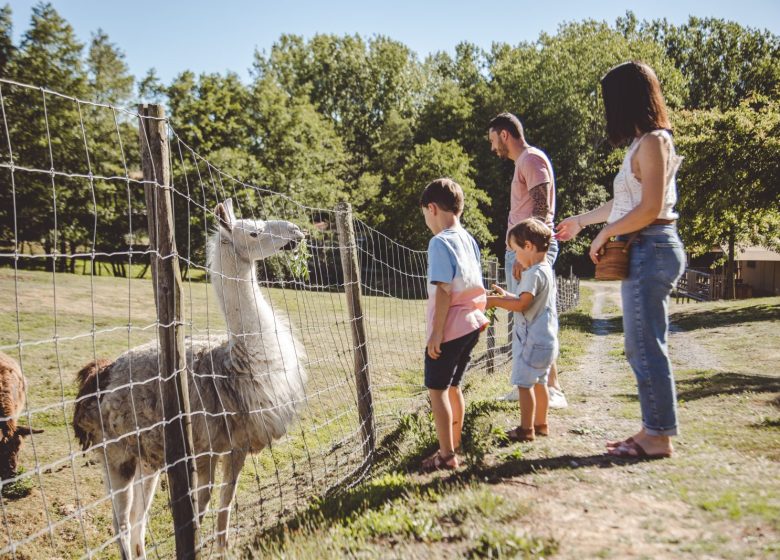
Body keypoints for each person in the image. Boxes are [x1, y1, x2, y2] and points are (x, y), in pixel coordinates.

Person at [556, 61, 685, 458]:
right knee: (639, 344)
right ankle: (652, 430)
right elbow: (624, 201)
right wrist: (582, 221)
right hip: (644, 246)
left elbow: (649, 208)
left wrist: (607, 231)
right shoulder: (641, 142)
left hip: (653, 244)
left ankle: (658, 436)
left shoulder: (654, 141)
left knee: (645, 344)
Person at [488, 113, 567, 409]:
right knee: (528, 319)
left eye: (493, 139)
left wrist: (527, 254)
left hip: (527, 250)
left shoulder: (531, 160)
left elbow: (542, 206)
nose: (493, 147)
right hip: (524, 249)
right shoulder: (524, 163)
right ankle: (532, 385)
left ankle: (550, 388)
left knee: (532, 317)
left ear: (505, 134)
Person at [419, 178, 489, 471]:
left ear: (432, 208)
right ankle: (455, 442)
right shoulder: (468, 239)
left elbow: (445, 291)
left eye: (424, 214)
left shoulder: (439, 242)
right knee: (454, 386)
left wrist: (436, 333)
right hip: (473, 322)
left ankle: (446, 456)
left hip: (451, 327)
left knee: (437, 390)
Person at [486, 219, 558, 441]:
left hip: (531, 343)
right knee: (541, 383)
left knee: (524, 385)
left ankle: (526, 430)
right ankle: (542, 424)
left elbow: (522, 305)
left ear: (528, 246)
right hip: (547, 341)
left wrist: (495, 302)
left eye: (516, 250)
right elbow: (523, 298)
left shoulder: (532, 273)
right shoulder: (545, 270)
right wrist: (505, 295)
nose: (515, 257)